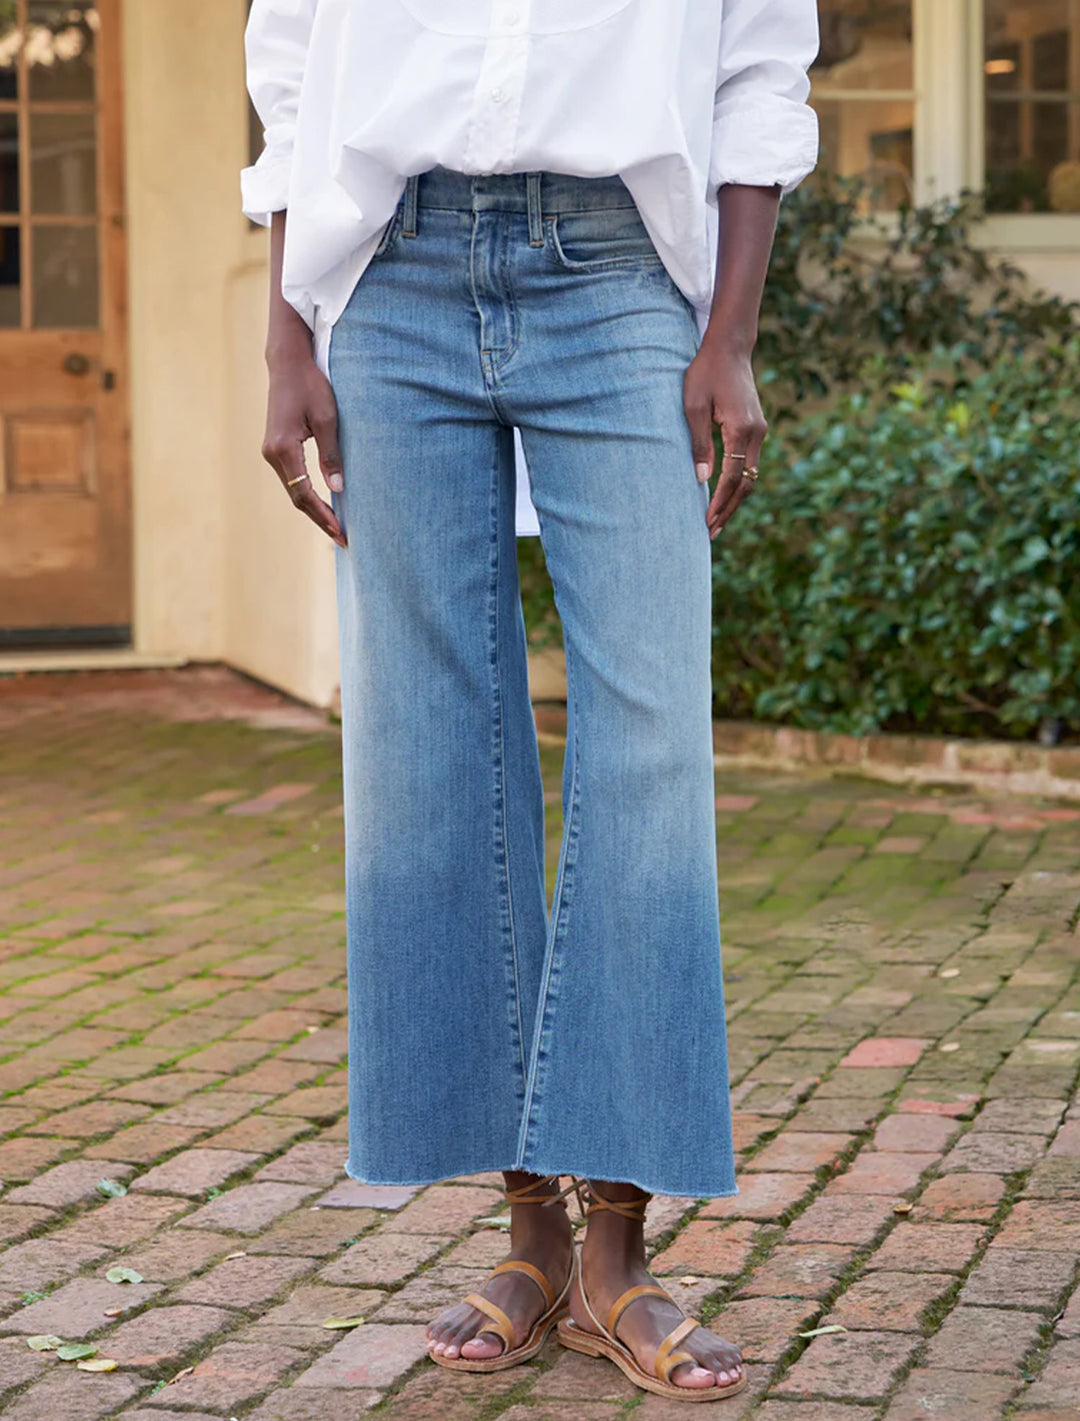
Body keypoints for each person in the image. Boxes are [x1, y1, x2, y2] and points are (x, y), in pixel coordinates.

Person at [243, 0, 818, 1402]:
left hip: (617, 271)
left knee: (652, 755)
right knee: (431, 758)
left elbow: (758, 66)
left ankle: (617, 1249)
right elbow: (298, 63)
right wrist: (285, 339)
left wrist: (730, 332)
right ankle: (532, 1236)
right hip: (391, 275)